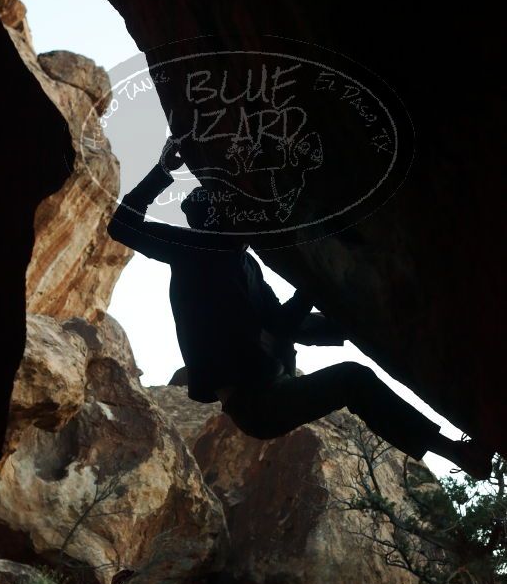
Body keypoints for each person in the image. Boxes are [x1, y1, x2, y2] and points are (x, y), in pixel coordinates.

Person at [107, 138, 493, 480]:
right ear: (220, 220)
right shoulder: (196, 251)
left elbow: (283, 324)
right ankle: (457, 453)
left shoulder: (246, 264)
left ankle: (458, 440)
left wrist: (346, 315)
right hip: (256, 403)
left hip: (273, 385)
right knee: (352, 381)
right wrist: (161, 173)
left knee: (354, 352)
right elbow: (122, 226)